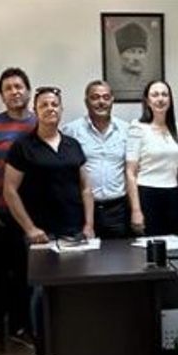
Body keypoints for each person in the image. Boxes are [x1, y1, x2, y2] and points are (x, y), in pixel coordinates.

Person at [5, 87, 95, 355]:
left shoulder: (72, 145)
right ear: (35, 110)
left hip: (73, 231)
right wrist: (30, 228)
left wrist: (89, 224)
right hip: (41, 233)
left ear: (61, 109)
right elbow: (10, 191)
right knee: (40, 291)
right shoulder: (23, 146)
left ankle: (70, 342)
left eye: (54, 104)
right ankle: (43, 346)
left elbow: (85, 187)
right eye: (44, 104)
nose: (50, 109)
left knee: (74, 289)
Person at [0, 68, 37, 355]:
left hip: (32, 217)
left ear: (28, 91)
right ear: (2, 95)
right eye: (8, 88)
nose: (14, 92)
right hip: (1, 214)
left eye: (19, 86)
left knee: (27, 275)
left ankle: (20, 328)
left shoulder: (38, 122)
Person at [61, 80, 130, 238]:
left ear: (112, 100)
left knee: (119, 252)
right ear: (86, 102)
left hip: (117, 209)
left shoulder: (126, 130)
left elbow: (132, 169)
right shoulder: (71, 131)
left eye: (106, 97)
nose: (101, 102)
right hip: (82, 209)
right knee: (85, 253)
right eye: (95, 97)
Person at [126, 80, 178, 236]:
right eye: (155, 95)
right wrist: (136, 210)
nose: (160, 99)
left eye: (164, 95)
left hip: (172, 195)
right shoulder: (138, 128)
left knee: (174, 243)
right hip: (147, 195)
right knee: (150, 245)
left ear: (170, 100)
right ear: (147, 101)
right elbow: (130, 172)